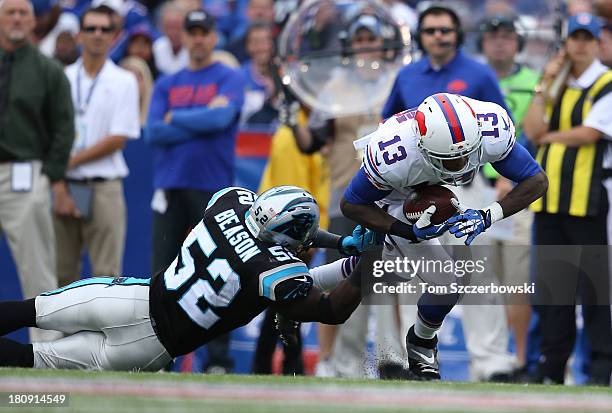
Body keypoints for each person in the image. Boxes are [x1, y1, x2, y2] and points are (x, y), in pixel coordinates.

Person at [0, 185, 375, 371]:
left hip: (128, 302)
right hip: (151, 348)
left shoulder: (230, 202)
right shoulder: (273, 270)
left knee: (28, 311)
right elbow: (331, 308)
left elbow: (280, 241)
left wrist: (341, 243)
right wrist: (364, 264)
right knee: (34, 358)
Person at [341, 93, 548, 380]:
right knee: (434, 281)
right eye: (451, 161)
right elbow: (350, 203)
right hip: (400, 194)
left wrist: (490, 214)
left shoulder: (491, 128)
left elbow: (537, 180)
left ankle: (421, 342)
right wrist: (406, 230)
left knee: (447, 285)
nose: (462, 164)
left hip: (428, 176)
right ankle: (418, 346)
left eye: (466, 154)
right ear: (425, 147)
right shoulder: (396, 154)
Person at [377, 3, 516, 381]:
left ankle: (491, 363)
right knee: (414, 273)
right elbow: (386, 125)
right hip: (418, 194)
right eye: (431, 30)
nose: (439, 36)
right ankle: (412, 360)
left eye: (446, 30)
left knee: (479, 273)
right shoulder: (407, 75)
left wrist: (502, 178)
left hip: (469, 189)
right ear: (420, 36)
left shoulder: (479, 73)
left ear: (457, 34)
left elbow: (501, 130)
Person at [144, 9, 245, 373]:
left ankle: (217, 361)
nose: (198, 39)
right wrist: (202, 117)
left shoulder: (229, 77)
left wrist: (178, 118)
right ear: (183, 38)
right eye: (192, 32)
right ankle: (159, 356)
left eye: (204, 32)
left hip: (212, 190)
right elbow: (153, 132)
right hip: (170, 187)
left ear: (214, 37)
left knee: (217, 273)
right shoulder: (167, 84)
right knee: (163, 276)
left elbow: (222, 119)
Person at [523, 13, 612, 385]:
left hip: (588, 199)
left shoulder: (607, 83)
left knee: (594, 289)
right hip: (550, 201)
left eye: (586, 38)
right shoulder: (555, 84)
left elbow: (590, 133)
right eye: (574, 38)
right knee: (553, 290)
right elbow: (531, 128)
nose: (579, 44)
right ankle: (551, 368)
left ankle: (600, 367)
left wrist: (549, 137)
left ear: (597, 43)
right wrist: (543, 84)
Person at [0, 0, 74, 342]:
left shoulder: (48, 69)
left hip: (24, 174)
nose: (16, 18)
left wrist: (52, 174)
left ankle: (47, 352)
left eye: (22, 13)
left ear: (33, 22)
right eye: (9, 12)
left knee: (37, 268)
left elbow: (63, 126)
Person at [53, 5, 140, 288]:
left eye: (105, 29)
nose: (98, 35)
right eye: (91, 28)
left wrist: (70, 162)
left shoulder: (124, 80)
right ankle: (63, 335)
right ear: (79, 35)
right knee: (62, 272)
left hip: (103, 185)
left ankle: (102, 335)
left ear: (114, 36)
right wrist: (60, 185)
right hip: (68, 184)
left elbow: (119, 138)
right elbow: (49, 133)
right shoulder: (62, 77)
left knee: (106, 275)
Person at [477, 13, 540, 378]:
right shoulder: (474, 80)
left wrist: (515, 178)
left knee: (517, 281)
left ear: (517, 42)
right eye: (493, 36)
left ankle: (519, 361)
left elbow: (535, 131)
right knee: (481, 282)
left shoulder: (534, 81)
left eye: (506, 36)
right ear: (483, 42)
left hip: (519, 190)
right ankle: (489, 360)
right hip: (475, 189)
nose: (500, 42)